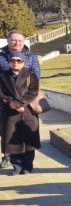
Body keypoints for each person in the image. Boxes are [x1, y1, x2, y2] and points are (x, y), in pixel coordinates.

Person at [0, 30, 41, 170]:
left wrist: (22, 102)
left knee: (28, 136)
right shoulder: (0, 56)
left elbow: (36, 78)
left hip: (27, 105)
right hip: (6, 104)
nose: (17, 43)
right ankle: (10, 160)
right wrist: (10, 102)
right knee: (9, 135)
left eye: (20, 41)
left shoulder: (31, 56)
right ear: (8, 41)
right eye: (13, 40)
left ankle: (27, 166)